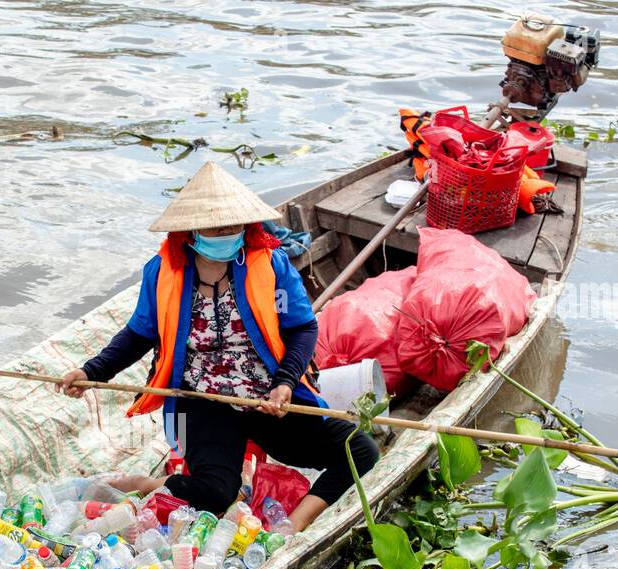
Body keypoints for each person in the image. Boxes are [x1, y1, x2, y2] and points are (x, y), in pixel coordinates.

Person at [57, 161, 378, 531]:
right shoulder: (163, 272)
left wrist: (286, 383)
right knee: (214, 493)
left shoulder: (270, 265)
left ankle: (292, 526)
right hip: (201, 401)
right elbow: (140, 333)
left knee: (361, 451)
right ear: (191, 231)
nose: (227, 232)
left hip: (265, 398)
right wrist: (91, 371)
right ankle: (148, 485)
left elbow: (302, 328)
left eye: (234, 224)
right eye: (216, 226)